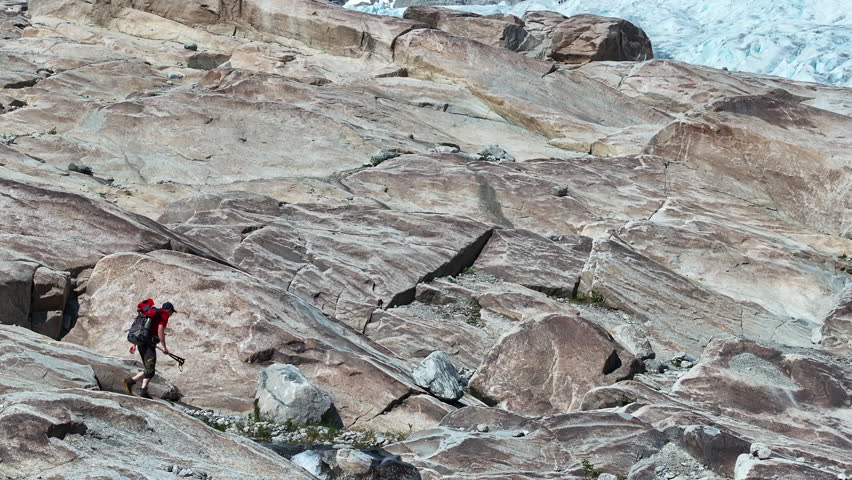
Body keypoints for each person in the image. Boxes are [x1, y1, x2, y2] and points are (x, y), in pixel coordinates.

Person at [122, 301, 176, 398]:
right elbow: (160, 330)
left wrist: (134, 344)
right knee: (150, 370)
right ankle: (129, 381)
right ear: (168, 310)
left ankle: (143, 391)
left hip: (142, 342)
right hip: (148, 344)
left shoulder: (152, 314)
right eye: (172, 312)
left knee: (149, 368)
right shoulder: (163, 315)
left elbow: (141, 328)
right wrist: (164, 347)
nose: (171, 314)